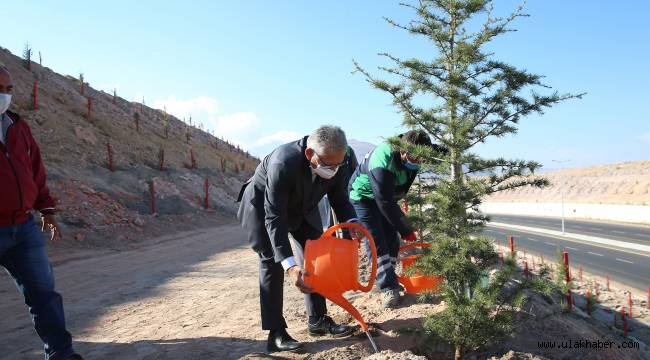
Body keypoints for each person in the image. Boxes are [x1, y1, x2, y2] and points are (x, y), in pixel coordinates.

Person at [237, 125, 360, 353]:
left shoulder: (336, 161)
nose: (333, 169)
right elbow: (274, 218)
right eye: (328, 164)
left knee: (317, 255)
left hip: (302, 207)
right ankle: (276, 334)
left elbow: (340, 199)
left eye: (338, 164)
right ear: (309, 154)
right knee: (273, 263)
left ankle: (318, 320)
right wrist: (291, 266)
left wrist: (352, 223)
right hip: (263, 210)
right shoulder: (283, 163)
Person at [0, 66, 83, 360]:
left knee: (44, 296)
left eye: (9, 90)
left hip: (23, 228)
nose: (4, 95)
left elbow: (35, 171)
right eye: (0, 88)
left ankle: (62, 354)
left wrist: (46, 209)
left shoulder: (17, 127)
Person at [348, 130, 445, 308]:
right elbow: (384, 201)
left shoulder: (418, 148)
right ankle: (388, 289)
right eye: (415, 160)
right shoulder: (382, 160)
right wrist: (406, 228)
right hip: (364, 196)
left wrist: (452, 152)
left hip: (387, 197)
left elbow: (440, 151)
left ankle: (388, 277)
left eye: (422, 159)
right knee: (376, 240)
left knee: (392, 239)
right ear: (403, 152)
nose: (419, 163)